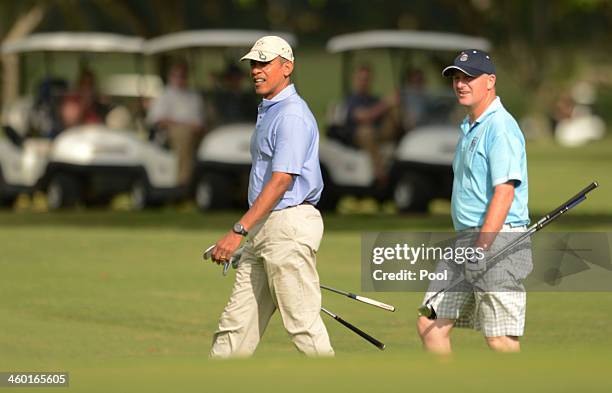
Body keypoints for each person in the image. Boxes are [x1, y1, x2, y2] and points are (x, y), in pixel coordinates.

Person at [208, 36, 334, 358]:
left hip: (287, 225)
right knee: (235, 326)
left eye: (264, 63)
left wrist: (239, 231)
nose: (256, 70)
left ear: (287, 67)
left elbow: (280, 182)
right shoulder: (271, 110)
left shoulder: (291, 114)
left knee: (303, 326)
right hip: (266, 227)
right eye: (254, 63)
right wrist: (253, 234)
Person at [417, 50, 530, 354]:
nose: (460, 84)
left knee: (500, 337)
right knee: (431, 324)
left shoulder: (500, 127)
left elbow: (504, 192)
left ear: (490, 81)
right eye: (456, 77)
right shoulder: (470, 126)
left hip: (495, 241)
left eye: (469, 77)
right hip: (467, 241)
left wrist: (482, 247)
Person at [330, 65, 398, 184]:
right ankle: (379, 170)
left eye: (367, 79)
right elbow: (363, 117)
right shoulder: (351, 100)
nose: (364, 82)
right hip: (357, 137)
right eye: (361, 79)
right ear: (355, 80)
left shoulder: (373, 99)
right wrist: (385, 104)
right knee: (366, 131)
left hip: (377, 134)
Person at [147, 61, 205, 186]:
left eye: (183, 75)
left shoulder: (193, 96)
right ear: (171, 76)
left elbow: (199, 121)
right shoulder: (165, 95)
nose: (180, 79)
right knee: (184, 135)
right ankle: (183, 182)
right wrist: (182, 125)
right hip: (169, 132)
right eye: (177, 75)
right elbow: (157, 119)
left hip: (194, 132)